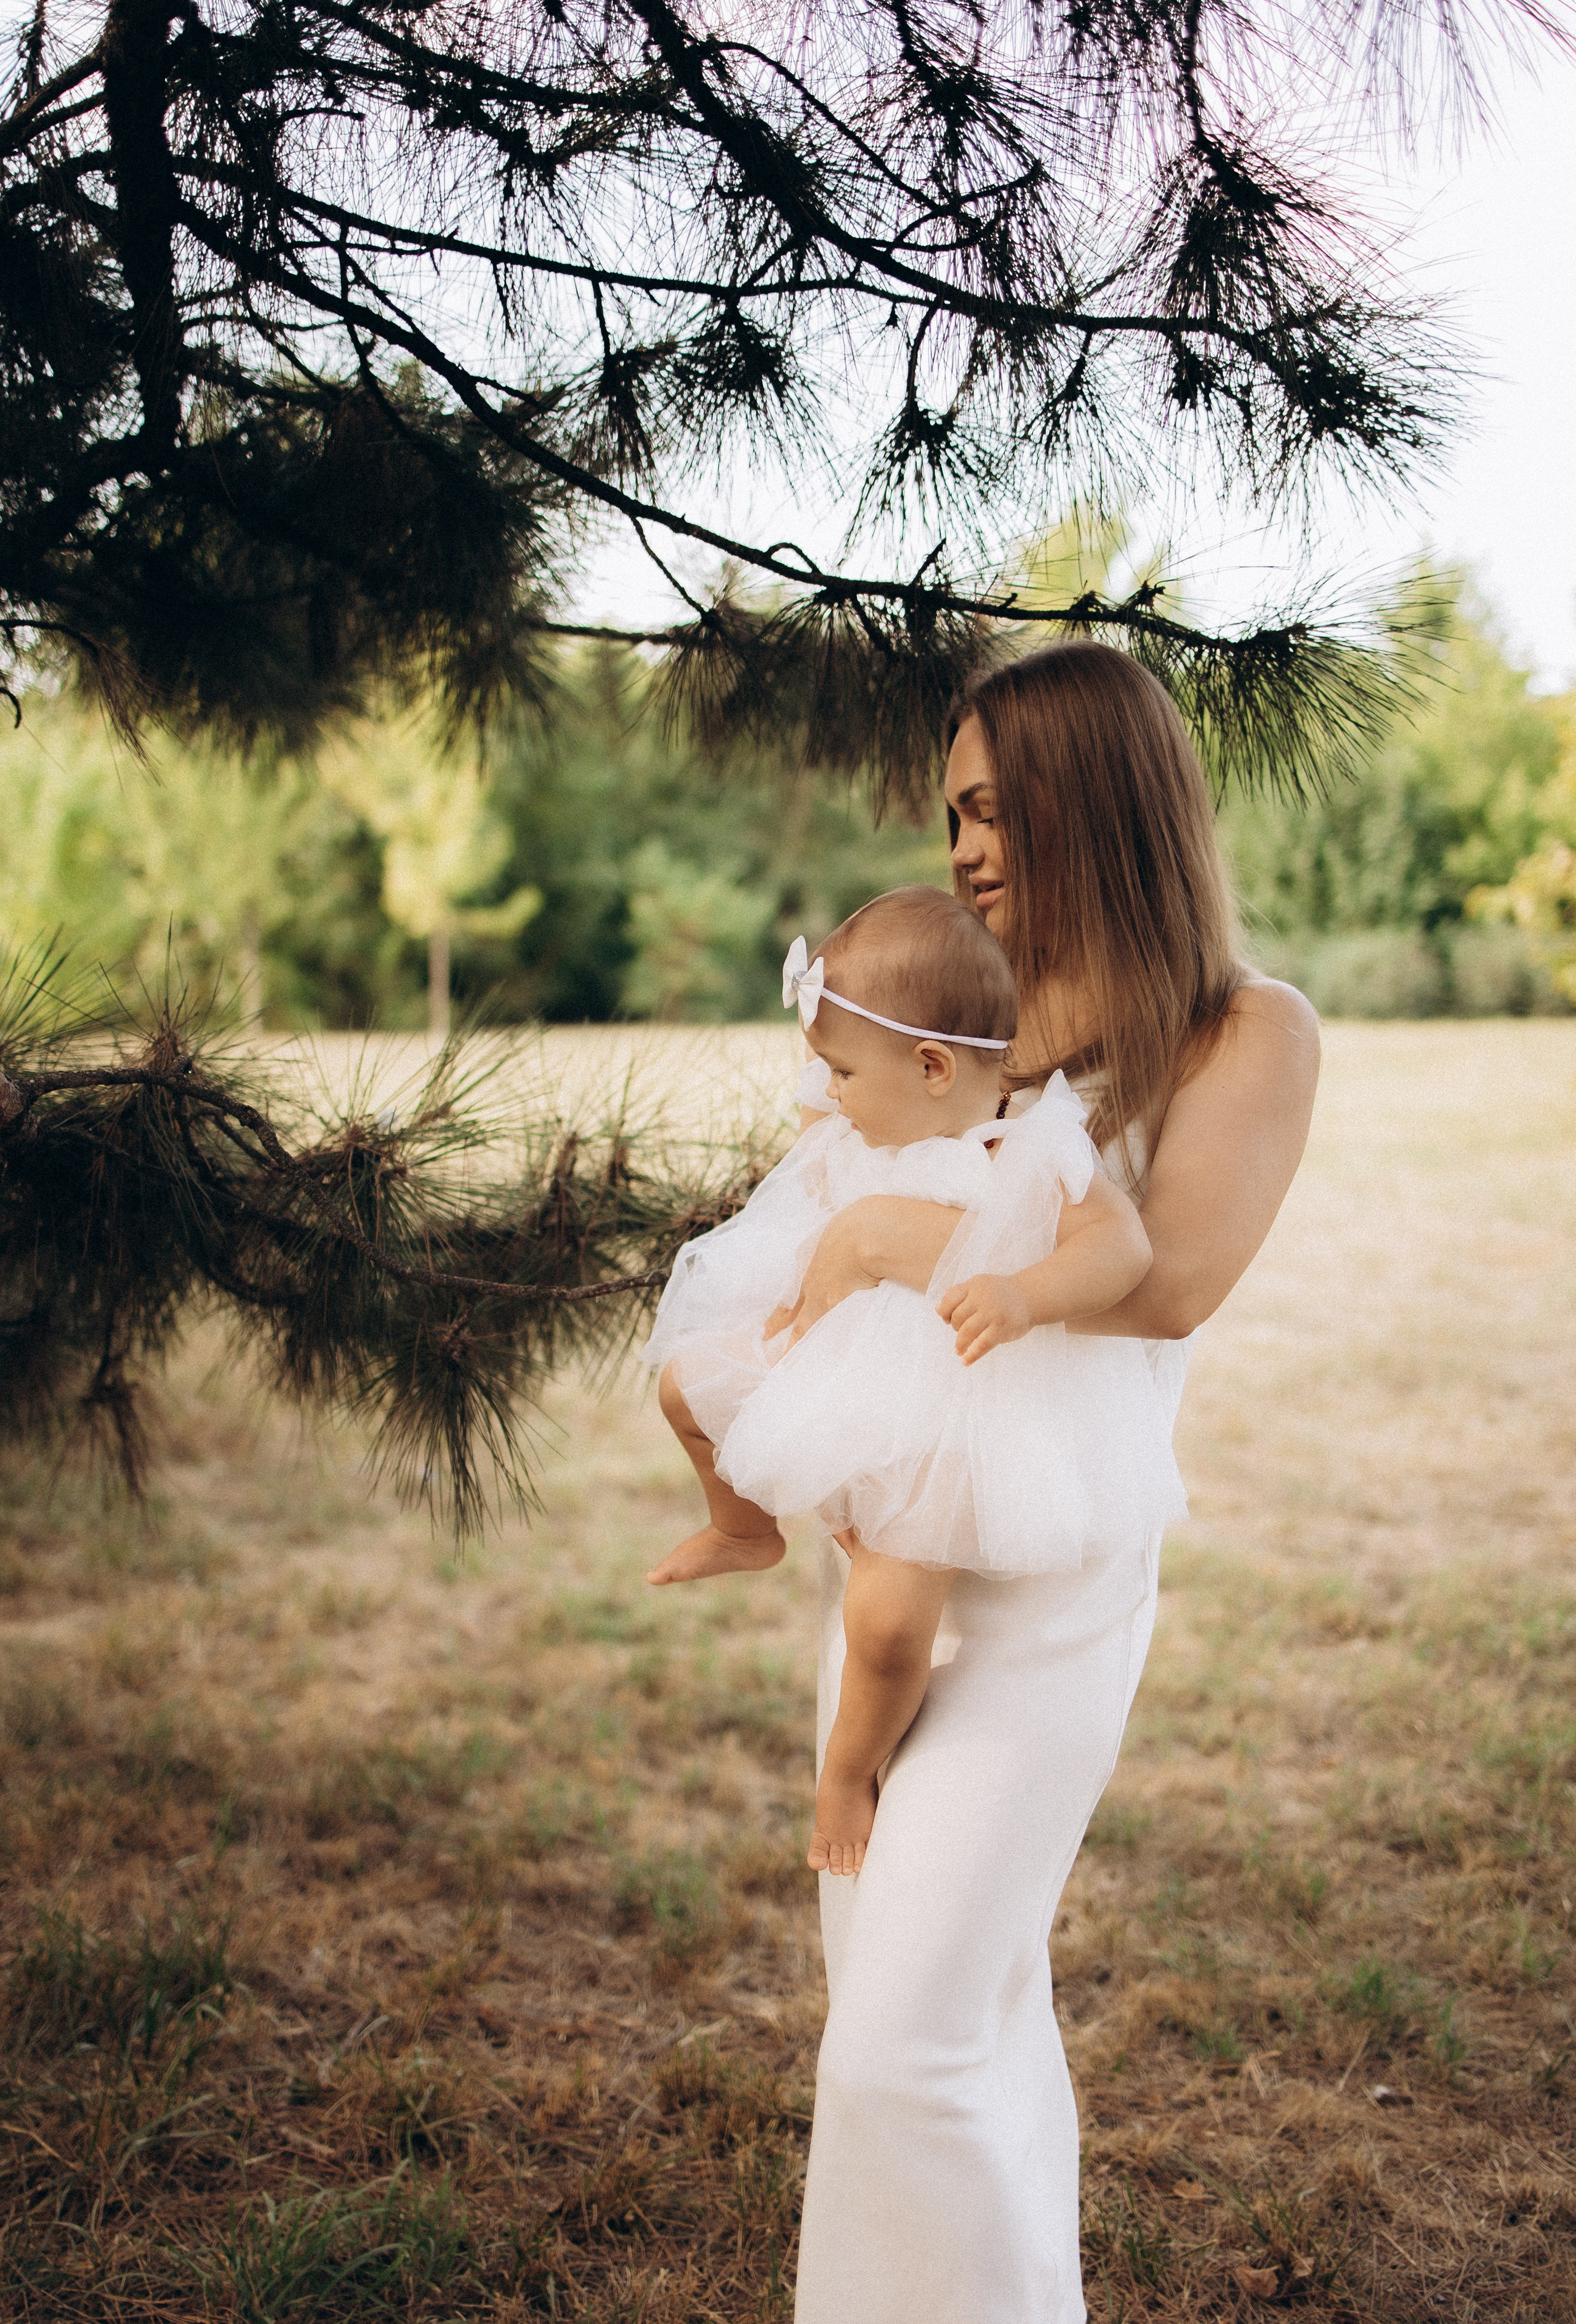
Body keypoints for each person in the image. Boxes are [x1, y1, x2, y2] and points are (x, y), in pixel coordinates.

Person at [779, 644, 1322, 2324]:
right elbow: (822, 1200)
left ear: (1107, 796)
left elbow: (1168, 1281)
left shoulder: (1242, 1029)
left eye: (1002, 806)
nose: (966, 845)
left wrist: (888, 1233)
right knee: (933, 2000)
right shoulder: (964, 1015)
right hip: (901, 1568)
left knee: (904, 2046)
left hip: (1056, 1603)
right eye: (954, 812)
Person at [642, 886, 1188, 1874]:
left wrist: (1025, 1293)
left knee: (888, 1620)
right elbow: (798, 1228)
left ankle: (851, 1769)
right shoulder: (857, 1134)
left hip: (941, 1418)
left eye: (843, 1069)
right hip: (827, 1364)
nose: (828, 1089)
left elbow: (1124, 1246)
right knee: (683, 1383)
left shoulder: (1028, 1147)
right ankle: (742, 1525)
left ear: (933, 1066)